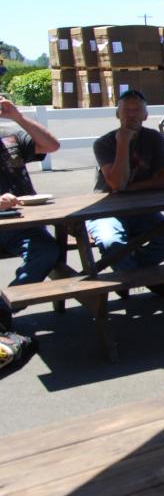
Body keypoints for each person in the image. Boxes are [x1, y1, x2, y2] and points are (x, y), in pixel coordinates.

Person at [87, 90, 164, 296]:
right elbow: (116, 182)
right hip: (106, 210)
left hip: (142, 209)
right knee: (111, 243)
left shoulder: (154, 138)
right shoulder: (103, 143)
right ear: (117, 114)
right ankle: (141, 277)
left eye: (137, 110)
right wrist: (123, 142)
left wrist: (128, 189)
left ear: (145, 115)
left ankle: (128, 276)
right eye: (126, 111)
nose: (131, 115)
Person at [0, 98, 60, 329]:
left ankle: (4, 307)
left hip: (22, 224)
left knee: (47, 250)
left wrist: (18, 117)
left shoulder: (9, 137)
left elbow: (51, 145)